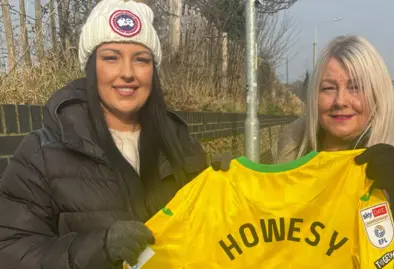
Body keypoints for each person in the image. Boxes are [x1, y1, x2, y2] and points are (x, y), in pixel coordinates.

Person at [0, 0, 227, 268]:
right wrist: (100, 248)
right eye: (111, 57)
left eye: (141, 59)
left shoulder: (181, 145)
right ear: (91, 67)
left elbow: (215, 241)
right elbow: (12, 252)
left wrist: (227, 191)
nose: (127, 73)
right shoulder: (41, 155)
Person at [272, 35, 394, 268]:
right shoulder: (288, 159)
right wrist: (220, 190)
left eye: (356, 87)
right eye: (328, 88)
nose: (341, 100)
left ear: (377, 95)